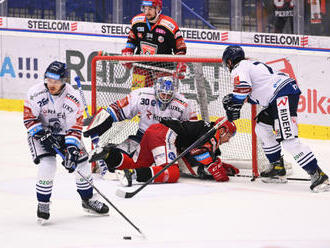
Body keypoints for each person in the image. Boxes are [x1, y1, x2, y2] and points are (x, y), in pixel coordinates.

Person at [221, 45, 330, 193]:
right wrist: (237, 102)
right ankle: (277, 167)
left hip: (281, 96)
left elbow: (243, 89)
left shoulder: (239, 67)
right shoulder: (250, 65)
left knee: (288, 139)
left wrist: (234, 101)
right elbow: (254, 92)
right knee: (261, 127)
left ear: (229, 62)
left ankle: (318, 175)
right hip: (278, 96)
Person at [23, 61, 109, 224]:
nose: (51, 84)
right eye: (48, 80)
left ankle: (88, 200)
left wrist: (71, 149)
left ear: (64, 81)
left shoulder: (73, 97)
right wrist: (42, 135)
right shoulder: (34, 93)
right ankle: (43, 203)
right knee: (48, 164)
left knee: (82, 163)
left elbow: (75, 128)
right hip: (39, 131)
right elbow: (29, 119)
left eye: (55, 81)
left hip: (65, 133)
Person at [84, 76, 197, 173]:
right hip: (141, 137)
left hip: (167, 141)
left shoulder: (184, 104)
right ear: (156, 90)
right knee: (117, 161)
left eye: (169, 95)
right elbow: (117, 110)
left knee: (172, 167)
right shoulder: (142, 95)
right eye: (163, 94)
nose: (165, 98)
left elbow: (191, 128)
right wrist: (101, 121)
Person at [89, 117, 239, 186]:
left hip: (155, 130)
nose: (228, 139)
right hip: (165, 134)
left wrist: (221, 165)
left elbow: (196, 152)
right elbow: (198, 152)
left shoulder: (206, 130)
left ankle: (108, 154)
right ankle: (132, 175)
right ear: (223, 129)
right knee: (172, 173)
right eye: (229, 135)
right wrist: (214, 164)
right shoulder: (211, 133)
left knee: (137, 163)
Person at [121, 0, 187, 89]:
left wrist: (181, 63)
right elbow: (132, 40)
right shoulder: (137, 21)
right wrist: (128, 52)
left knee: (164, 98)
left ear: (158, 9)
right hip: (141, 66)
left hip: (163, 68)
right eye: (145, 8)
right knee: (138, 94)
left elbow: (180, 48)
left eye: (150, 9)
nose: (147, 12)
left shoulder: (169, 25)